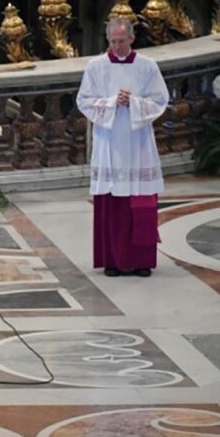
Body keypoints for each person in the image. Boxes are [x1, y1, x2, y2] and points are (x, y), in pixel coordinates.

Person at [77, 18, 169, 278]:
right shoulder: (96, 67)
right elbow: (84, 101)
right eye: (112, 41)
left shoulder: (147, 67)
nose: (116, 47)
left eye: (121, 41)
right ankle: (112, 260)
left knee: (141, 203)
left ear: (131, 39)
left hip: (139, 143)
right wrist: (110, 102)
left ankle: (142, 261)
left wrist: (135, 103)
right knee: (112, 202)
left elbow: (161, 100)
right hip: (109, 143)